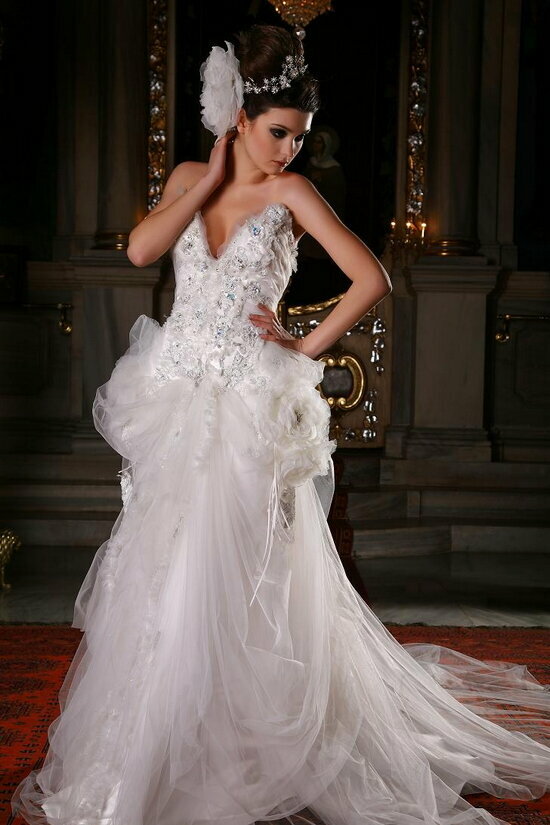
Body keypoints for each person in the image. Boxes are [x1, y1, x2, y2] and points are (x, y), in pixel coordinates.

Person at [11, 23, 550, 825]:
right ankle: (156, 743)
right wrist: (207, 180)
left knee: (238, 569)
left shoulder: (293, 193)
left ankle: (245, 744)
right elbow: (140, 251)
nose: (292, 149)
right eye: (279, 133)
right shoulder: (190, 176)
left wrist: (302, 343)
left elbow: (371, 277)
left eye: (300, 135)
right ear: (239, 118)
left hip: (248, 403)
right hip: (177, 393)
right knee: (165, 565)